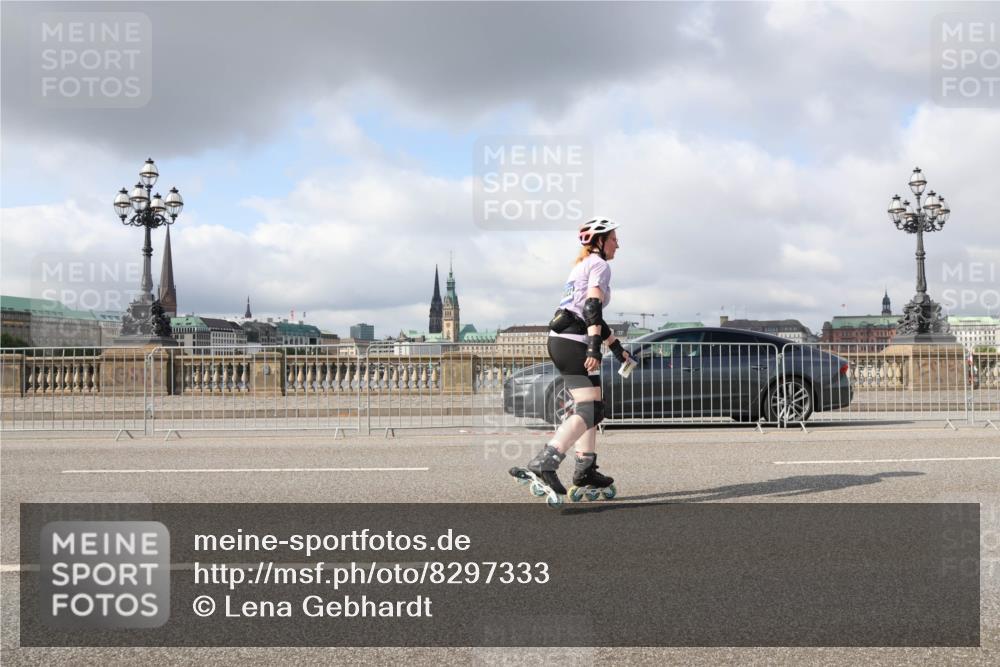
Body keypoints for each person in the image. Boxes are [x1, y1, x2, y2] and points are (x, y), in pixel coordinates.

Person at [513, 218, 632, 500]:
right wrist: (593, 348)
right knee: (591, 410)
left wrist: (616, 349)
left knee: (592, 407)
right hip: (573, 343)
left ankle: (585, 468)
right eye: (614, 238)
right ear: (601, 241)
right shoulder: (600, 265)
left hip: (565, 339)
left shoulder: (581, 266)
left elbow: (590, 315)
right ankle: (546, 461)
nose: (618, 244)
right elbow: (592, 307)